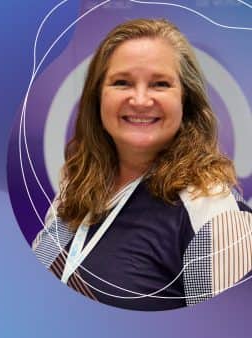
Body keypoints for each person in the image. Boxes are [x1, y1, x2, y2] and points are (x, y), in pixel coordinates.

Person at [31, 18, 252, 311]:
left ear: (186, 99)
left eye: (160, 84)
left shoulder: (215, 213)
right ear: (99, 97)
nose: (140, 99)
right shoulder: (77, 184)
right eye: (122, 82)